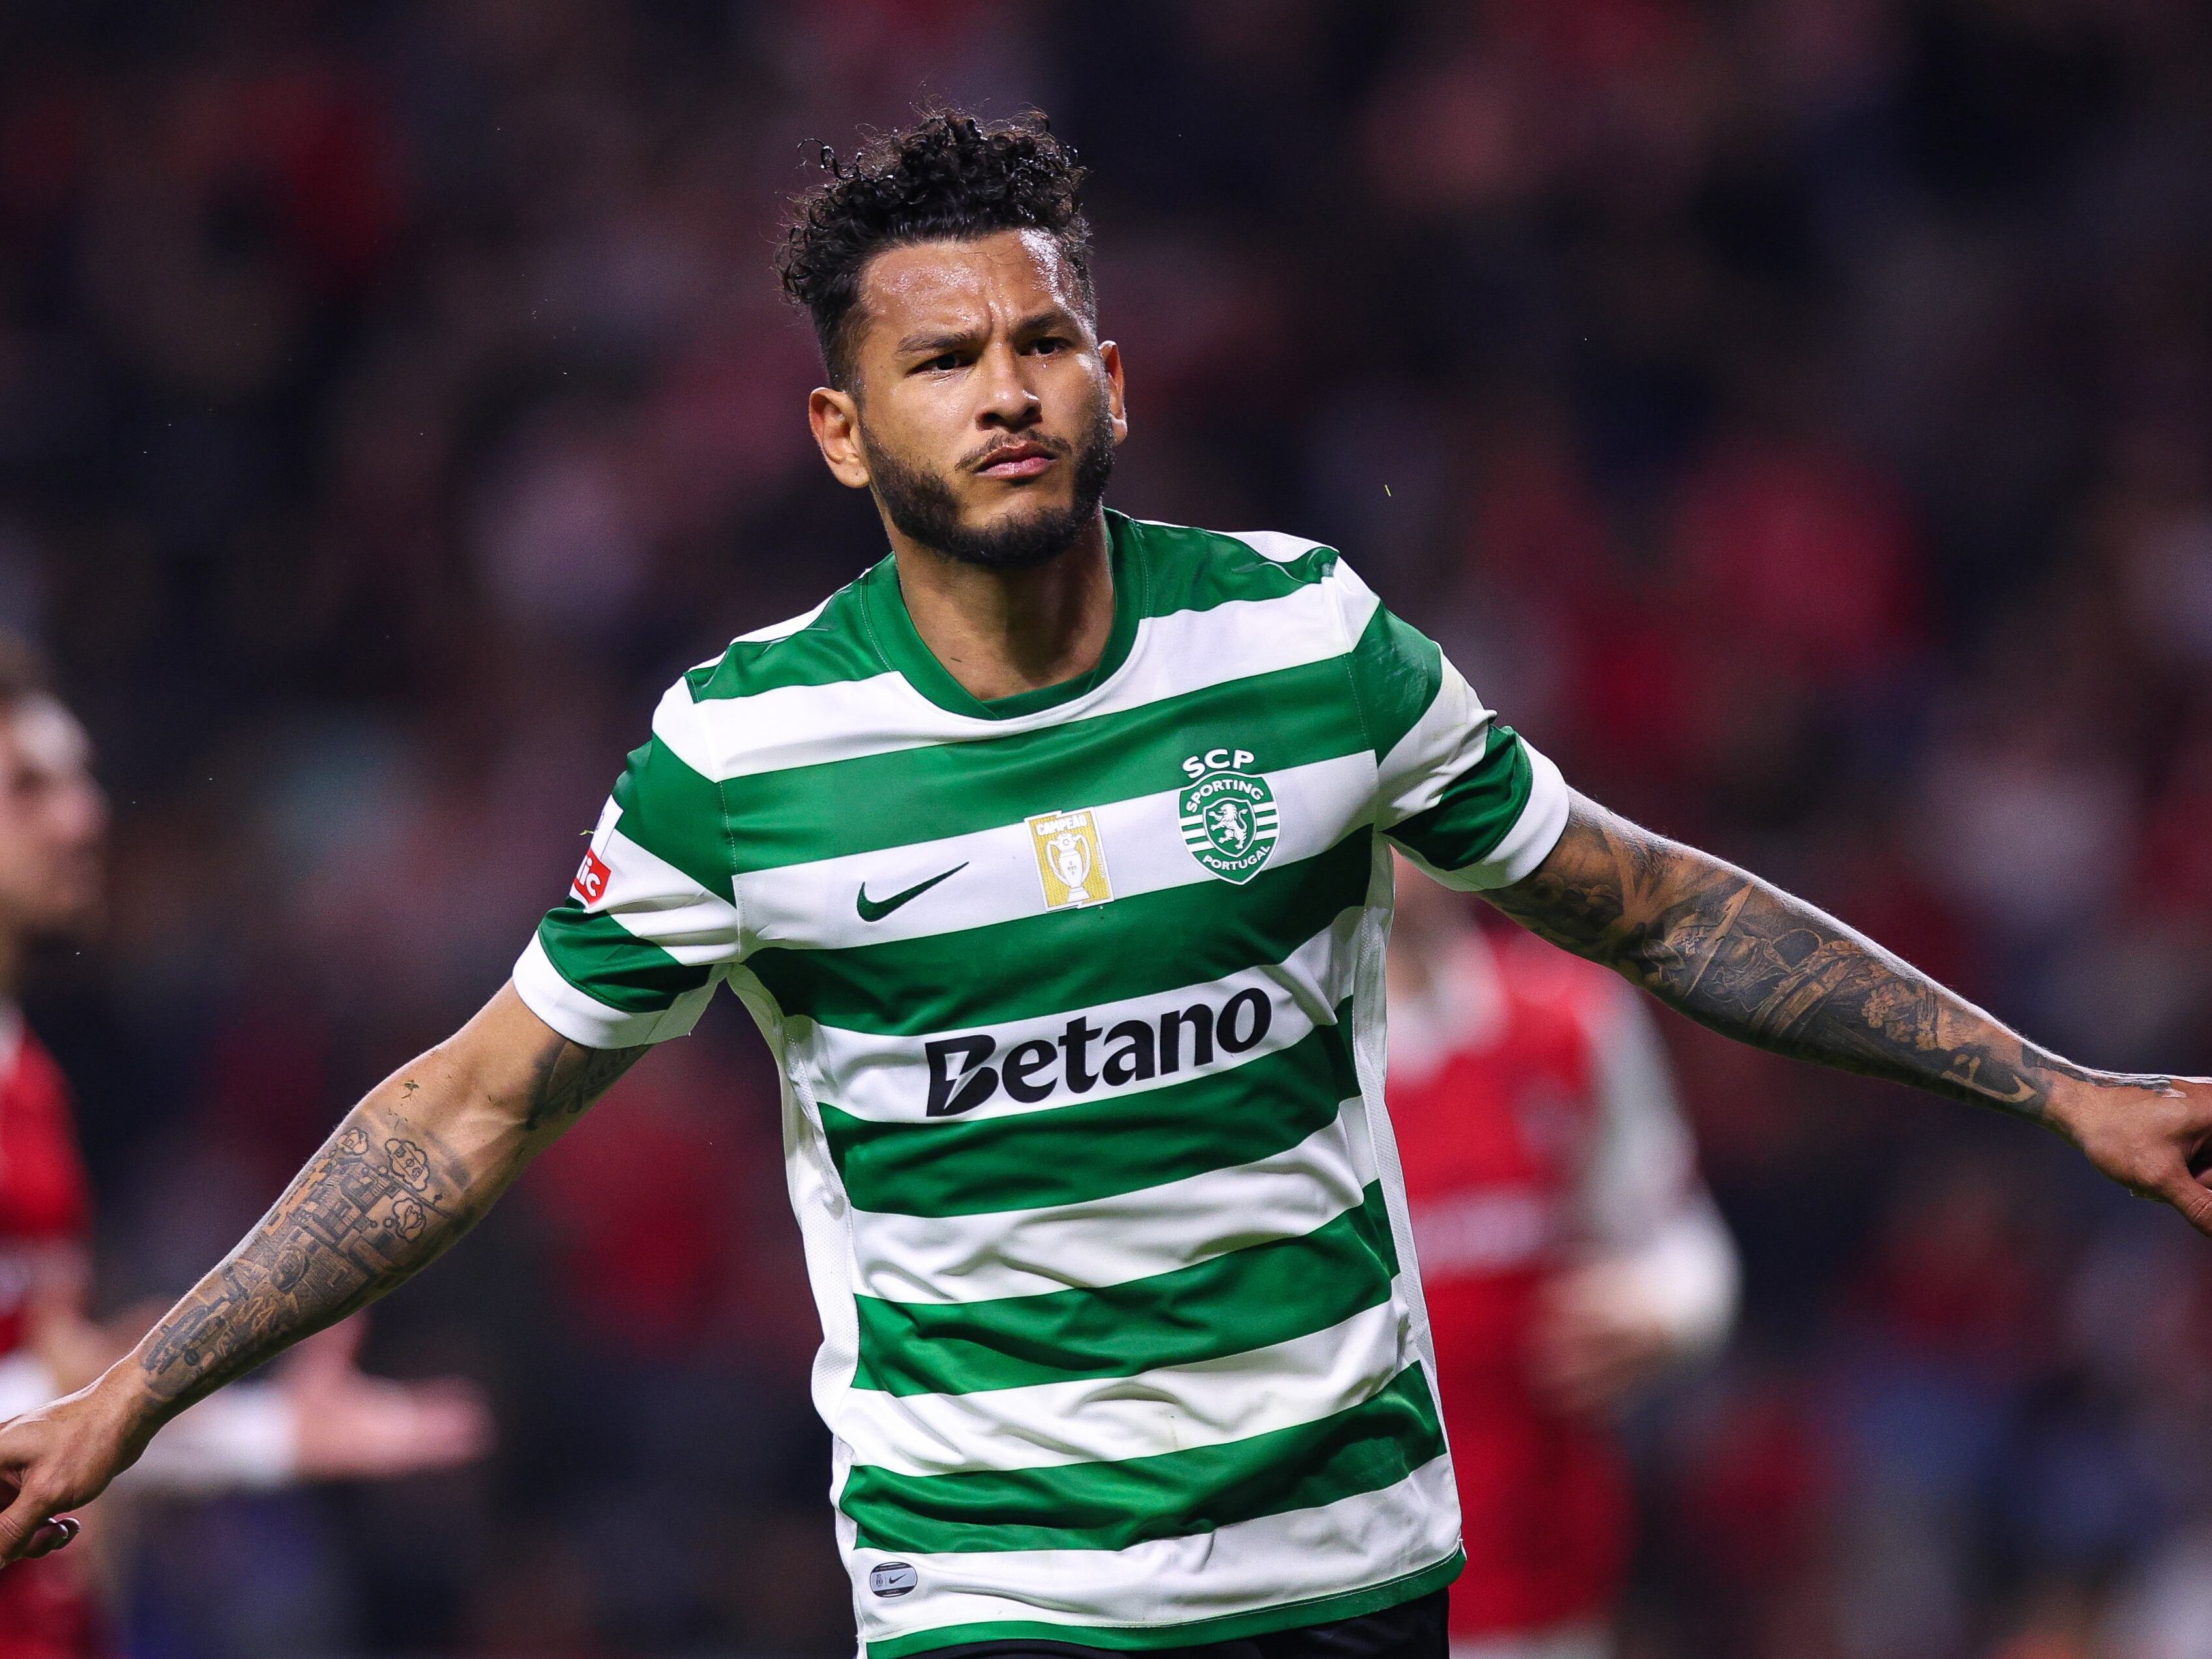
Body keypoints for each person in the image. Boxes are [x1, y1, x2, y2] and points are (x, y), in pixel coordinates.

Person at [1, 110, 2205, 1659]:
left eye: (1040, 343)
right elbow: (470, 1107)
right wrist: (134, 1390)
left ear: (1114, 375)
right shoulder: (746, 755)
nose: (1006, 394)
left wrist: (2054, 1090)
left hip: (1346, 1561)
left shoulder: (1307, 641)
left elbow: (1638, 900)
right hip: (996, 1593)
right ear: (842, 432)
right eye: (940, 361)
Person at [0, 642, 491, 1656]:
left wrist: (263, 1437)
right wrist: (129, 1379)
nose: (84, 817)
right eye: (27, 787)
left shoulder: (31, 1083)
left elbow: (54, 1422)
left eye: (82, 780)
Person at [1387, 852, 1736, 1659]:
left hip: (1548, 1589)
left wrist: (1662, 1316)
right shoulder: (1273, 1057)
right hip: (1340, 1596)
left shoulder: (1570, 1021)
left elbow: (1683, 1244)